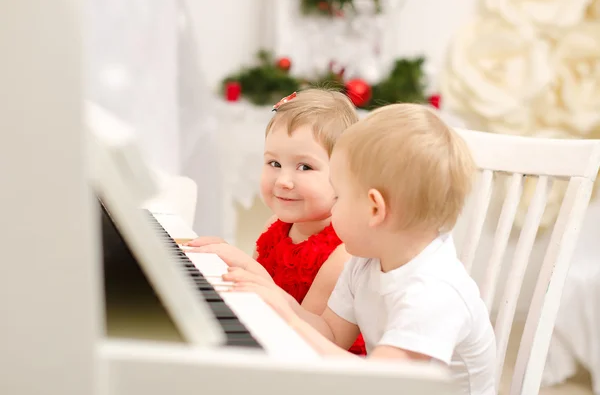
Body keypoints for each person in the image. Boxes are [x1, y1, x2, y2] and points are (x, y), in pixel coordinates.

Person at [226, 103, 497, 395]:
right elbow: (330, 335)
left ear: (374, 209)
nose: (333, 206)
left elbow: (376, 384)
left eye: (339, 195)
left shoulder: (433, 292)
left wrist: (291, 321)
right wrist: (276, 299)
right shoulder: (366, 260)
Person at [187, 88, 366, 355]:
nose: (283, 180)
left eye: (305, 167)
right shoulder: (275, 225)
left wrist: (249, 268)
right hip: (271, 342)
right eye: (274, 163)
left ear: (345, 175)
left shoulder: (342, 254)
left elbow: (316, 338)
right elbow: (253, 288)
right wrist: (224, 263)